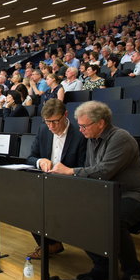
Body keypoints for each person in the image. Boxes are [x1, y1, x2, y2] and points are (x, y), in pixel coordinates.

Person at [51, 101, 140, 280]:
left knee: (113, 219)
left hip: (135, 195)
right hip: (107, 194)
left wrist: (70, 171)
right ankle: (103, 265)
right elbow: (92, 172)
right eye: (79, 126)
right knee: (72, 215)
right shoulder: (92, 139)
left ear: (101, 123)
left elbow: (103, 172)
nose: (80, 130)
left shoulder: (121, 138)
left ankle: (133, 271)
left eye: (84, 126)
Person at [25, 99, 87, 259]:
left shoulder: (80, 135)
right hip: (46, 183)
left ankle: (52, 243)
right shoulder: (43, 130)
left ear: (65, 115)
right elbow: (30, 157)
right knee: (23, 203)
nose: (51, 126)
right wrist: (40, 161)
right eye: (47, 122)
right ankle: (51, 244)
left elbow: (84, 167)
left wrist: (67, 172)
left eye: (55, 122)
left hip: (70, 186)